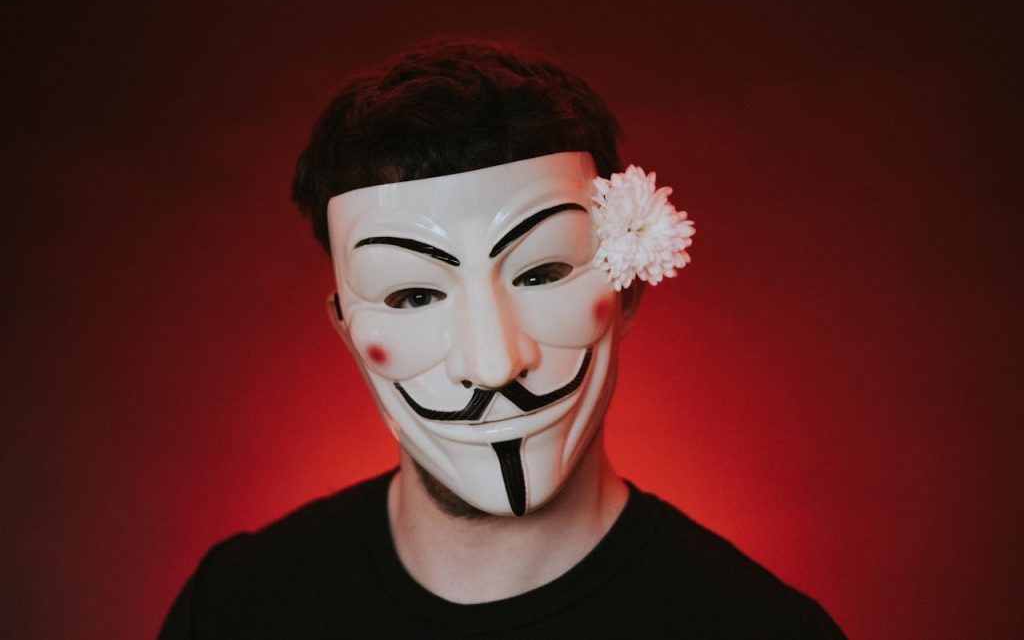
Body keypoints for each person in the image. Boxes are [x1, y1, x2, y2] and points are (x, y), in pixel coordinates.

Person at [159, 38, 845, 638]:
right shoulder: (233, 611)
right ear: (346, 329)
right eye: (414, 295)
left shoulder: (763, 631)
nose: (492, 364)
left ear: (627, 287)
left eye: (542, 273)